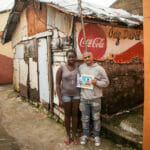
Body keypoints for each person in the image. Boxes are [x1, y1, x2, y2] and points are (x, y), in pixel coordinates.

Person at [79, 49, 109, 146]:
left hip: (96, 99)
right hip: (83, 99)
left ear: (93, 57)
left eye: (89, 56)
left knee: (96, 118)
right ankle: (85, 135)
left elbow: (106, 83)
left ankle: (96, 136)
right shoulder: (81, 67)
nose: (87, 59)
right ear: (83, 58)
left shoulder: (99, 69)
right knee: (84, 119)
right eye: (85, 57)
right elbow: (79, 81)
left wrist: (97, 82)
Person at [56, 49, 80, 145]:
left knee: (75, 115)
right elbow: (57, 84)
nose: (71, 58)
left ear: (75, 58)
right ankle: (67, 135)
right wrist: (60, 98)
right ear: (66, 57)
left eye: (73, 57)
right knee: (67, 115)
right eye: (69, 57)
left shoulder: (78, 67)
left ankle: (74, 135)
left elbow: (82, 81)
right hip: (65, 95)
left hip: (76, 95)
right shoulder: (61, 68)